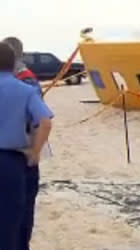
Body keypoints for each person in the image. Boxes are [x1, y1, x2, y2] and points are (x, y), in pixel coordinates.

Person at [0, 42, 53, 250]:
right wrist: (35, 152)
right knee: (15, 221)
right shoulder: (25, 90)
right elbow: (45, 122)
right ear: (13, 64)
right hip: (13, 161)